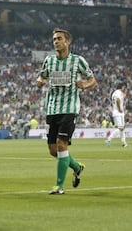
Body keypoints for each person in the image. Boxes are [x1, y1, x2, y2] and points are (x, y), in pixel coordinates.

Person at [36, 27, 97, 195]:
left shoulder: (78, 61)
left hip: (69, 108)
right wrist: (40, 82)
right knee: (53, 150)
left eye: (59, 39)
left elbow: (92, 80)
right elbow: (42, 76)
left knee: (62, 144)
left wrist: (84, 85)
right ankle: (77, 167)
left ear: (67, 42)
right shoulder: (49, 61)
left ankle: (59, 186)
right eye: (54, 39)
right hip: (52, 108)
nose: (56, 41)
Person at [106, 82, 128, 147]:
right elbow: (118, 100)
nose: (125, 88)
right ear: (122, 87)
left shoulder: (115, 93)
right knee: (121, 128)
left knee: (123, 128)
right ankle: (109, 139)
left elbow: (124, 96)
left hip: (119, 112)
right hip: (118, 112)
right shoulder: (118, 92)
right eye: (124, 87)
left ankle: (124, 143)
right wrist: (119, 109)